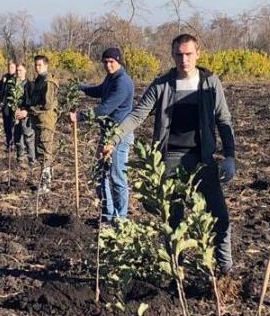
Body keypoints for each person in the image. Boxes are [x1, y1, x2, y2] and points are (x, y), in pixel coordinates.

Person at [103, 34, 236, 275]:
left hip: (203, 161)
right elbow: (137, 115)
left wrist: (229, 156)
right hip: (170, 161)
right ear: (173, 55)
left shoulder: (210, 83)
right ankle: (176, 271)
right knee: (173, 221)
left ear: (198, 54)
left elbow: (223, 120)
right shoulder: (162, 84)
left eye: (188, 54)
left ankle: (225, 271)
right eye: (178, 54)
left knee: (219, 216)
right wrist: (114, 138)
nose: (184, 59)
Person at [69, 47, 135, 222]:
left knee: (116, 175)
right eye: (105, 62)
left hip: (120, 134)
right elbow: (99, 90)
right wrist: (81, 87)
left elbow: (105, 108)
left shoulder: (123, 82)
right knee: (102, 174)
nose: (108, 65)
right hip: (107, 132)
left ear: (119, 62)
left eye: (111, 62)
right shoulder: (111, 78)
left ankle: (120, 220)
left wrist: (80, 116)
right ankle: (107, 216)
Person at [16, 55, 58, 192]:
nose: (37, 67)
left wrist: (28, 112)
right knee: (40, 152)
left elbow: (46, 105)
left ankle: (45, 185)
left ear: (46, 65)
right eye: (35, 65)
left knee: (45, 152)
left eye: (40, 65)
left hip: (45, 121)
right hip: (38, 120)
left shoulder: (48, 81)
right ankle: (45, 181)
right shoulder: (39, 80)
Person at [0, 61, 35, 165]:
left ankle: (31, 162)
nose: (18, 72)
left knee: (28, 139)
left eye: (20, 70)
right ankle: (19, 161)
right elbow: (4, 94)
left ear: (25, 71)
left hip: (26, 116)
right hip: (14, 115)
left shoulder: (30, 85)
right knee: (17, 138)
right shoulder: (11, 83)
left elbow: (34, 102)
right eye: (17, 70)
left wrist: (26, 111)